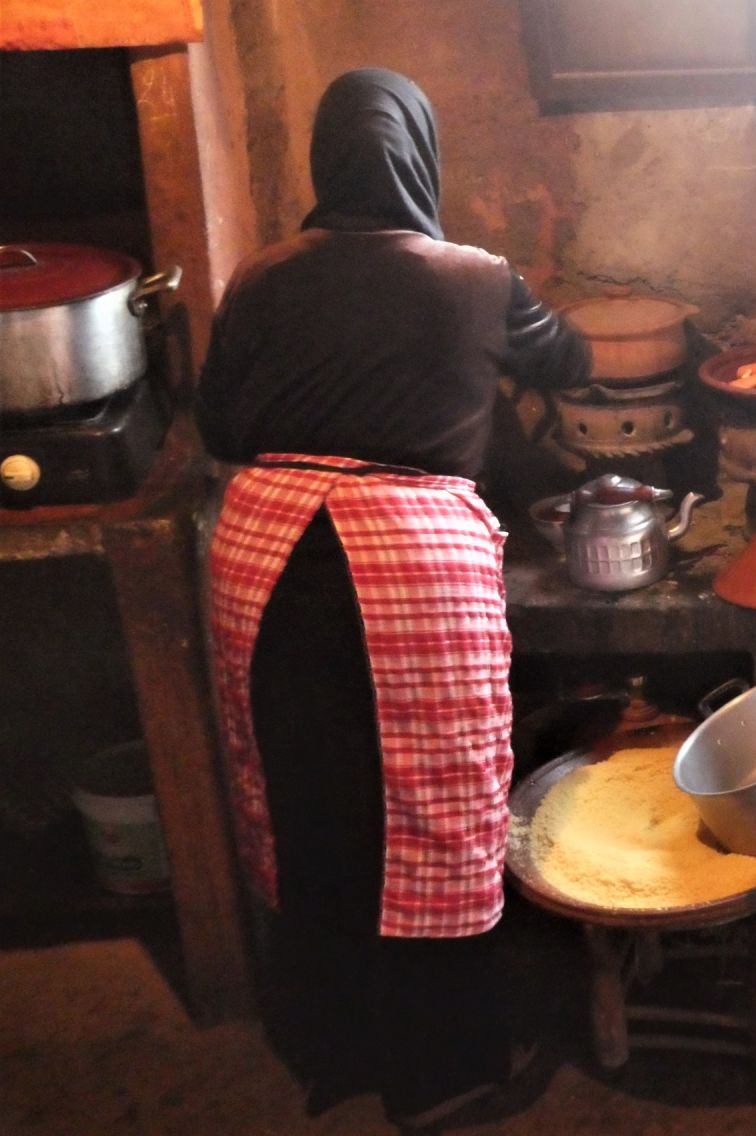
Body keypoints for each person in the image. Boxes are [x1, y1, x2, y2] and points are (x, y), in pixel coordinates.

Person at [195, 67, 588, 1127]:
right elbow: (576, 358)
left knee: (309, 800)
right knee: (432, 816)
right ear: (422, 156)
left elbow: (221, 430)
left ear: (327, 162)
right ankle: (440, 1070)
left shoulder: (258, 278)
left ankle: (331, 1049)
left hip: (267, 556)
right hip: (410, 563)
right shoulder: (473, 275)